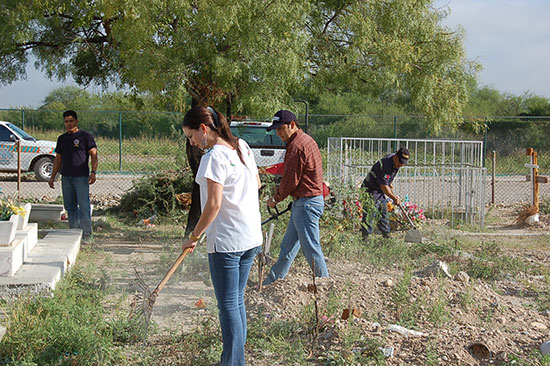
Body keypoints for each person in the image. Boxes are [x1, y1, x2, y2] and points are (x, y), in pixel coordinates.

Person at [181, 106, 262, 366]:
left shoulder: (214, 157)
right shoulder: (242, 147)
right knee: (236, 302)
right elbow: (257, 185)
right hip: (250, 237)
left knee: (228, 305)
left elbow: (213, 205)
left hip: (227, 242)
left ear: (204, 129)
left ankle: (232, 363)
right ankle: (234, 359)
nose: (191, 143)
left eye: (191, 136)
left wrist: (193, 236)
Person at [263, 110, 329, 286]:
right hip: (306, 202)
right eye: (276, 130)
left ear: (292, 125)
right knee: (288, 246)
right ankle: (272, 281)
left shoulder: (296, 146)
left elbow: (290, 181)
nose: (278, 133)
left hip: (306, 204)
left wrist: (275, 199)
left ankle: (325, 286)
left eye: (281, 129)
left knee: (311, 249)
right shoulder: (307, 140)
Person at [48, 110, 98, 240]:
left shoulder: (85, 137)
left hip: (81, 177)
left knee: (83, 205)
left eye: (71, 121)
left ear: (76, 121)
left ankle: (86, 234)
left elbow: (94, 154)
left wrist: (93, 172)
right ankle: (74, 234)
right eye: (66, 121)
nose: (69, 124)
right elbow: (58, 159)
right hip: (66, 177)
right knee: (70, 206)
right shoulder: (62, 139)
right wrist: (52, 176)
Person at [361, 147, 409, 240]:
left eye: (403, 163)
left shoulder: (396, 163)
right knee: (371, 213)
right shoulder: (386, 165)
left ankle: (386, 236)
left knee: (383, 213)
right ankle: (365, 238)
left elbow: (387, 178)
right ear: (395, 157)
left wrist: (389, 182)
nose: (401, 165)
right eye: (400, 162)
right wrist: (394, 198)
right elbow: (383, 186)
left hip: (378, 190)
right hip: (370, 189)